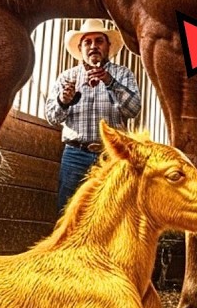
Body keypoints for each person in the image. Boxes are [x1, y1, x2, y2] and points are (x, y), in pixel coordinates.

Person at [44, 19, 141, 211]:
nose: (93, 46)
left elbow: (134, 110)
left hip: (111, 155)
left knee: (112, 213)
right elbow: (52, 117)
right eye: (88, 42)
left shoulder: (122, 75)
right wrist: (63, 101)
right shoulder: (67, 77)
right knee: (69, 214)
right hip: (75, 155)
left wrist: (111, 82)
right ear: (80, 48)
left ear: (108, 47)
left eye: (99, 41)